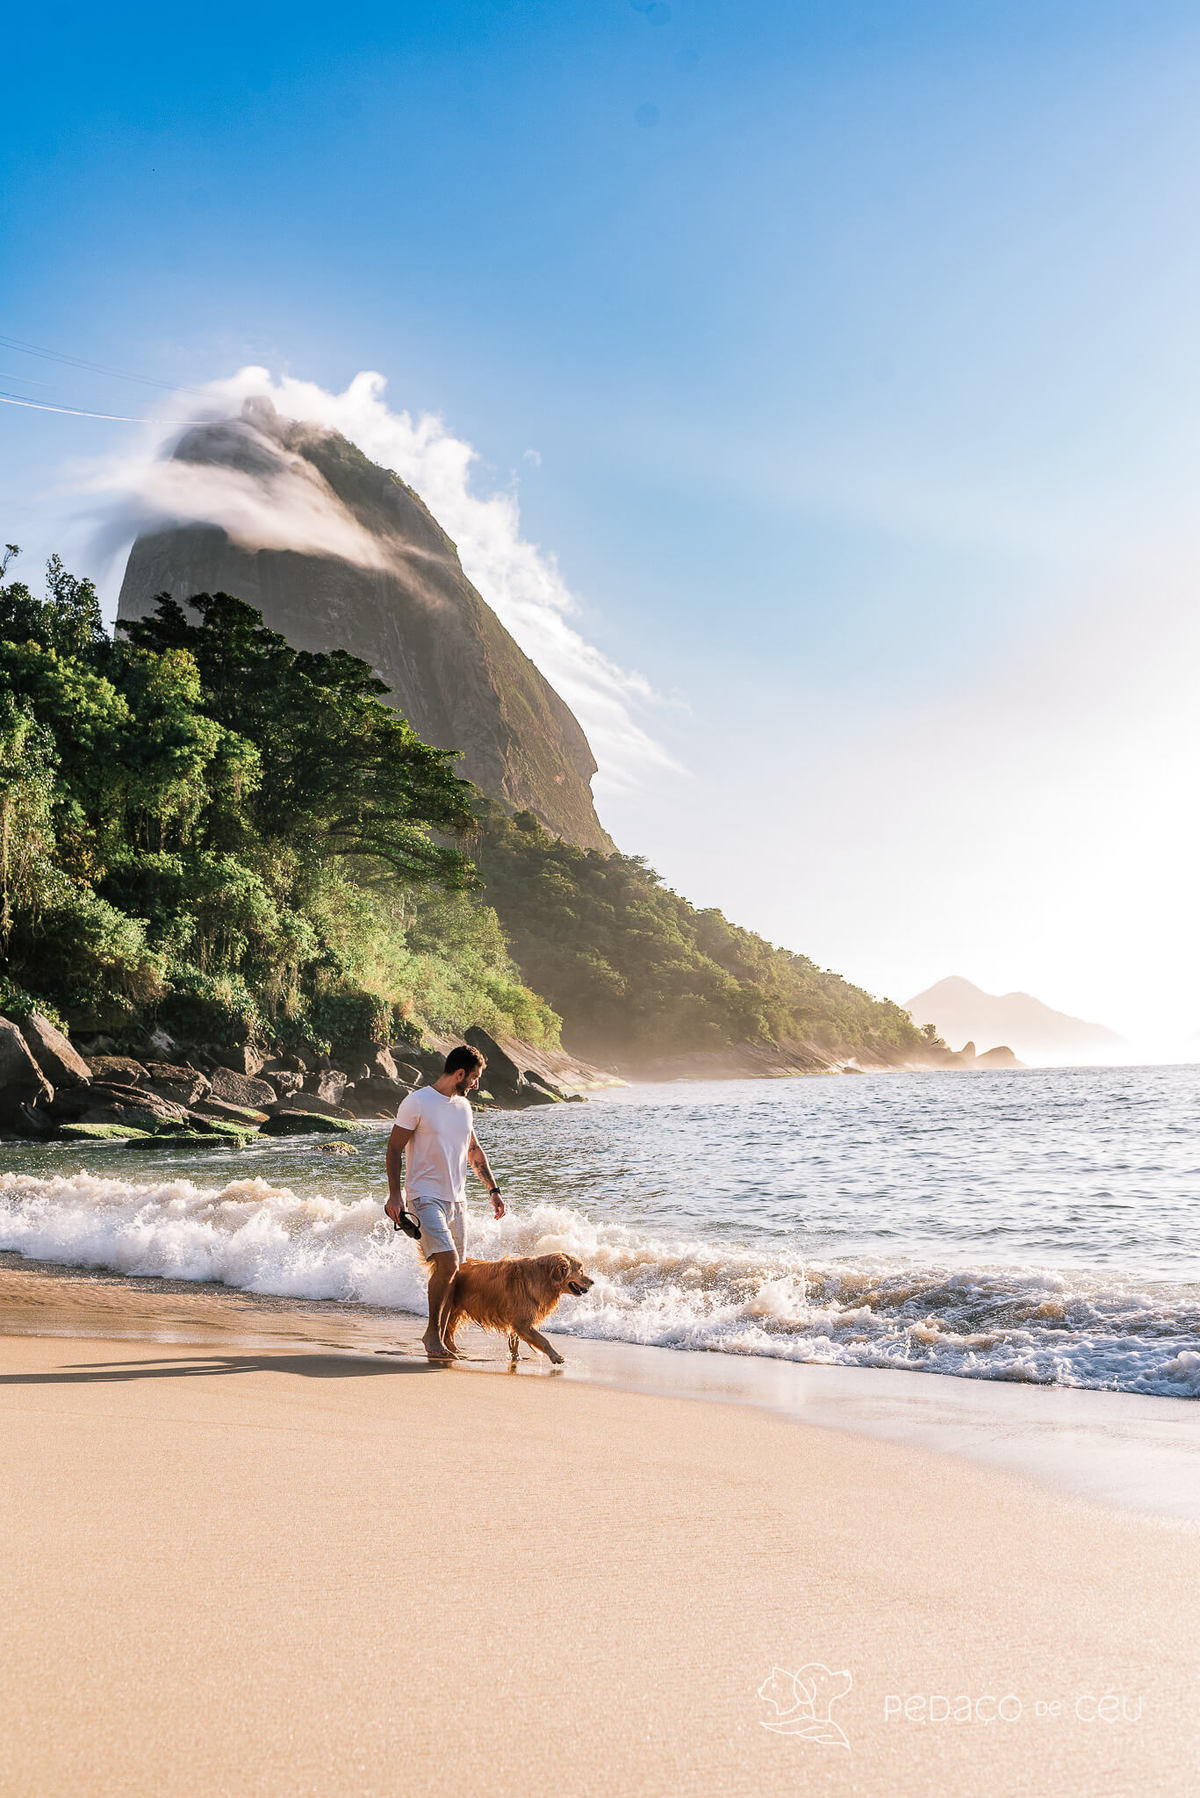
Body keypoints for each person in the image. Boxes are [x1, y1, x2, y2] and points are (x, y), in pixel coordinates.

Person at [384, 1045, 505, 1359]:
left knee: (456, 1272)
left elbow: (474, 1151)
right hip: (423, 1196)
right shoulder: (417, 1102)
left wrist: (493, 1190)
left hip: (457, 1201)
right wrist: (395, 1195)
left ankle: (446, 1338)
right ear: (460, 1073)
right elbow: (394, 1149)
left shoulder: (463, 1107)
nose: (476, 1085)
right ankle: (431, 1336)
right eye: (474, 1078)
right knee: (448, 1262)